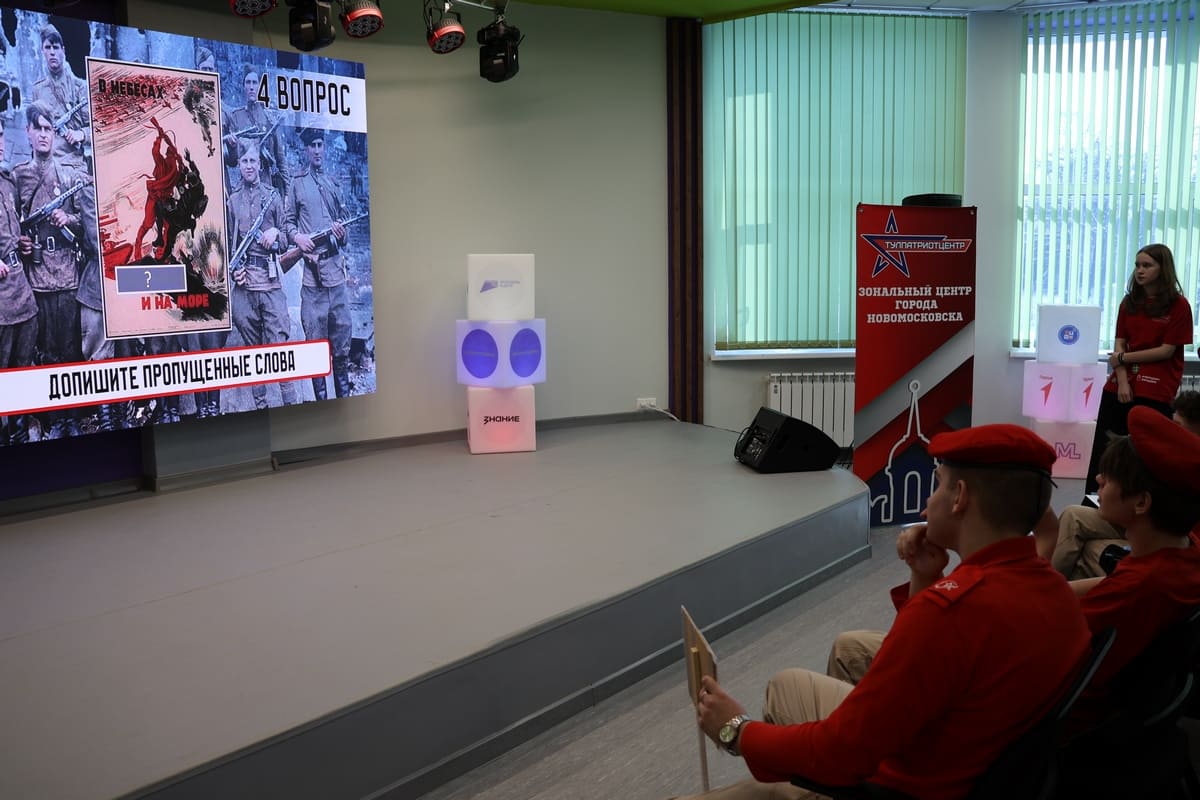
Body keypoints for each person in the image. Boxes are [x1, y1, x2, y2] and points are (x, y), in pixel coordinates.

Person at [682, 425, 1090, 800]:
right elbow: (913, 674)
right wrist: (925, 575)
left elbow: (842, 752)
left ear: (960, 497)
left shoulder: (950, 612)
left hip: (897, 784)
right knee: (787, 685)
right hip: (961, 767)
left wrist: (736, 731)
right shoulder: (1055, 591)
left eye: (938, 485)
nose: (929, 502)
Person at [1029, 389, 1200, 581]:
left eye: (1177, 426)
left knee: (1089, 550)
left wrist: (1046, 537)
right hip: (1151, 525)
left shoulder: (1184, 470)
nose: (1170, 430)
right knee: (1073, 516)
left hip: (1158, 533)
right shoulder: (1169, 456)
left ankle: (1041, 587)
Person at [1083, 243, 1193, 496]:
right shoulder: (1129, 303)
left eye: (1147, 265)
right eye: (1137, 265)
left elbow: (1166, 351)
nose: (1140, 271)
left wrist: (1123, 357)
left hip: (1155, 387)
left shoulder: (1179, 305)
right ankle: (1094, 500)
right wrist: (1122, 380)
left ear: (1162, 269)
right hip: (1121, 382)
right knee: (1105, 449)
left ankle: (1142, 502)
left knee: (1147, 453)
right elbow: (1119, 344)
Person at [14, 102, 93, 438]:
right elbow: (11, 223)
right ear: (28, 133)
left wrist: (67, 218)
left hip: (67, 275)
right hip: (37, 277)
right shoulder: (19, 177)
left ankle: (72, 418)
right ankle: (54, 420)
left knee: (70, 350)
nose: (45, 135)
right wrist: (21, 242)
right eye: (39, 129)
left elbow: (85, 223)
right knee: (46, 352)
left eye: (49, 129)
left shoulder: (69, 174)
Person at [227, 140, 297, 410]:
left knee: (280, 350)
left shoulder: (273, 197)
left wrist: (276, 233)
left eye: (253, 161)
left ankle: (292, 408)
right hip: (245, 287)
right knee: (254, 353)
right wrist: (235, 271)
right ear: (239, 165)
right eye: (244, 161)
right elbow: (229, 245)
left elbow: (287, 238)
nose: (249, 166)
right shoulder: (233, 201)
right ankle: (261, 410)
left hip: (269, 282)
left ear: (260, 164)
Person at [284, 127, 352, 399]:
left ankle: (344, 403)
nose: (316, 150)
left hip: (336, 278)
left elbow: (346, 232)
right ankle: (322, 405)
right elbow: (288, 223)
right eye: (311, 145)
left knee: (342, 347)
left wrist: (341, 233)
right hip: (312, 281)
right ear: (305, 150)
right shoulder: (297, 183)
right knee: (315, 349)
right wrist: (298, 238)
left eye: (320, 144)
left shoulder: (334, 184)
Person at [0, 116, 37, 445]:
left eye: (0, 136)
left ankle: (19, 431)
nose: (0, 143)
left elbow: (13, 230)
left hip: (20, 288)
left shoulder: (7, 182)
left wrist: (22, 244)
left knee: (22, 366)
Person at [31, 24, 90, 168]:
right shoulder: (38, 90)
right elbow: (34, 131)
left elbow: (97, 128)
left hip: (73, 164)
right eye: (48, 47)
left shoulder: (79, 87)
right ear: (42, 51)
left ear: (63, 51)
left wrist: (81, 134)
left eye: (56, 47)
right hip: (47, 165)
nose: (52, 52)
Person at [229, 66, 289, 197]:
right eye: (248, 82)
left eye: (254, 83)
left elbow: (280, 158)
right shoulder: (236, 117)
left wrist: (287, 192)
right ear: (244, 86)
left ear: (259, 86)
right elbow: (232, 161)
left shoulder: (269, 117)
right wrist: (233, 146)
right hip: (246, 184)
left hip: (267, 183)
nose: (251, 87)